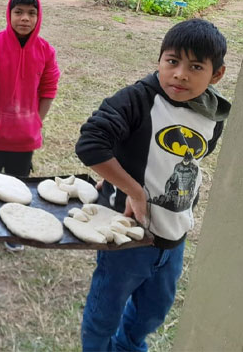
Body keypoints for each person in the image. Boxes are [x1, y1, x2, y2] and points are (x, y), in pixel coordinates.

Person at [75, 19, 228, 351]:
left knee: (152, 314)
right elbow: (90, 144)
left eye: (195, 66)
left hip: (174, 239)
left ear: (216, 74)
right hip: (128, 236)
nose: (180, 74)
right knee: (105, 314)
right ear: (159, 60)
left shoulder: (211, 117)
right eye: (172, 61)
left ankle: (129, 346)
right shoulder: (138, 100)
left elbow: (190, 166)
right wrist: (134, 189)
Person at [0, 0, 60, 255]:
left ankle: (14, 230)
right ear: (9, 14)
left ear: (39, 17)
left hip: (25, 138)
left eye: (31, 13)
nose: (25, 18)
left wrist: (37, 120)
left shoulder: (46, 51)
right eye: (19, 12)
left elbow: (49, 88)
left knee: (19, 185)